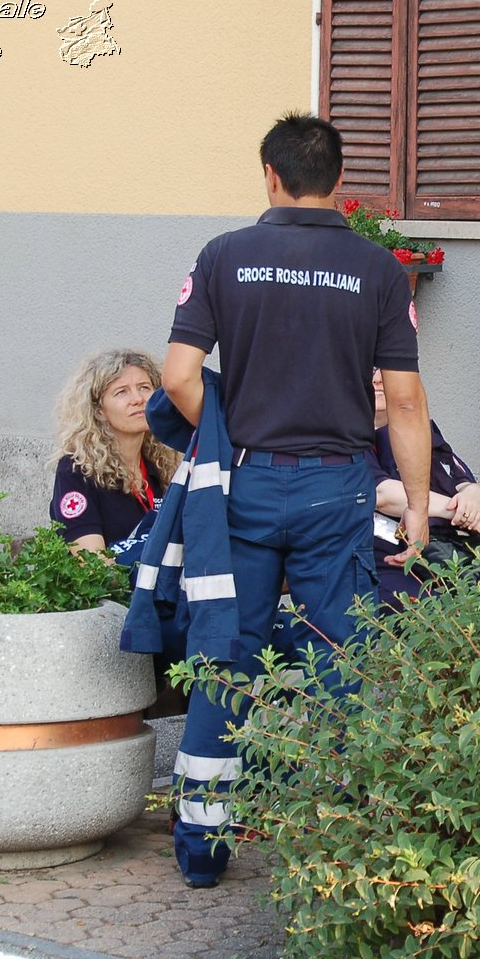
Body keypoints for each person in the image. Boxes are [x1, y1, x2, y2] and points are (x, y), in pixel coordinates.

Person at [159, 113, 432, 889]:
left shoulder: (223, 257)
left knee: (225, 652)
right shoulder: (379, 271)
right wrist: (414, 503)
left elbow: (179, 377)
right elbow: (405, 403)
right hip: (334, 487)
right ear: (340, 181)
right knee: (344, 657)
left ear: (269, 176)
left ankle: (202, 851)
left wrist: (219, 431)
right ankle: (347, 847)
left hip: (242, 485)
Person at [366, 369, 480, 611]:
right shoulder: (351, 441)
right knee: (438, 613)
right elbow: (382, 495)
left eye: (385, 370)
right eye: (371, 370)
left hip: (451, 554)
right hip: (392, 562)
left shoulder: (423, 434)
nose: (378, 378)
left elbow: (464, 481)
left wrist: (474, 498)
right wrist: (460, 512)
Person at [51, 349, 180, 553]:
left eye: (145, 388)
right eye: (122, 392)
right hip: (115, 583)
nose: (138, 399)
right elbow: (91, 564)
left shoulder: (164, 465)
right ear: (98, 410)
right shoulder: (77, 470)